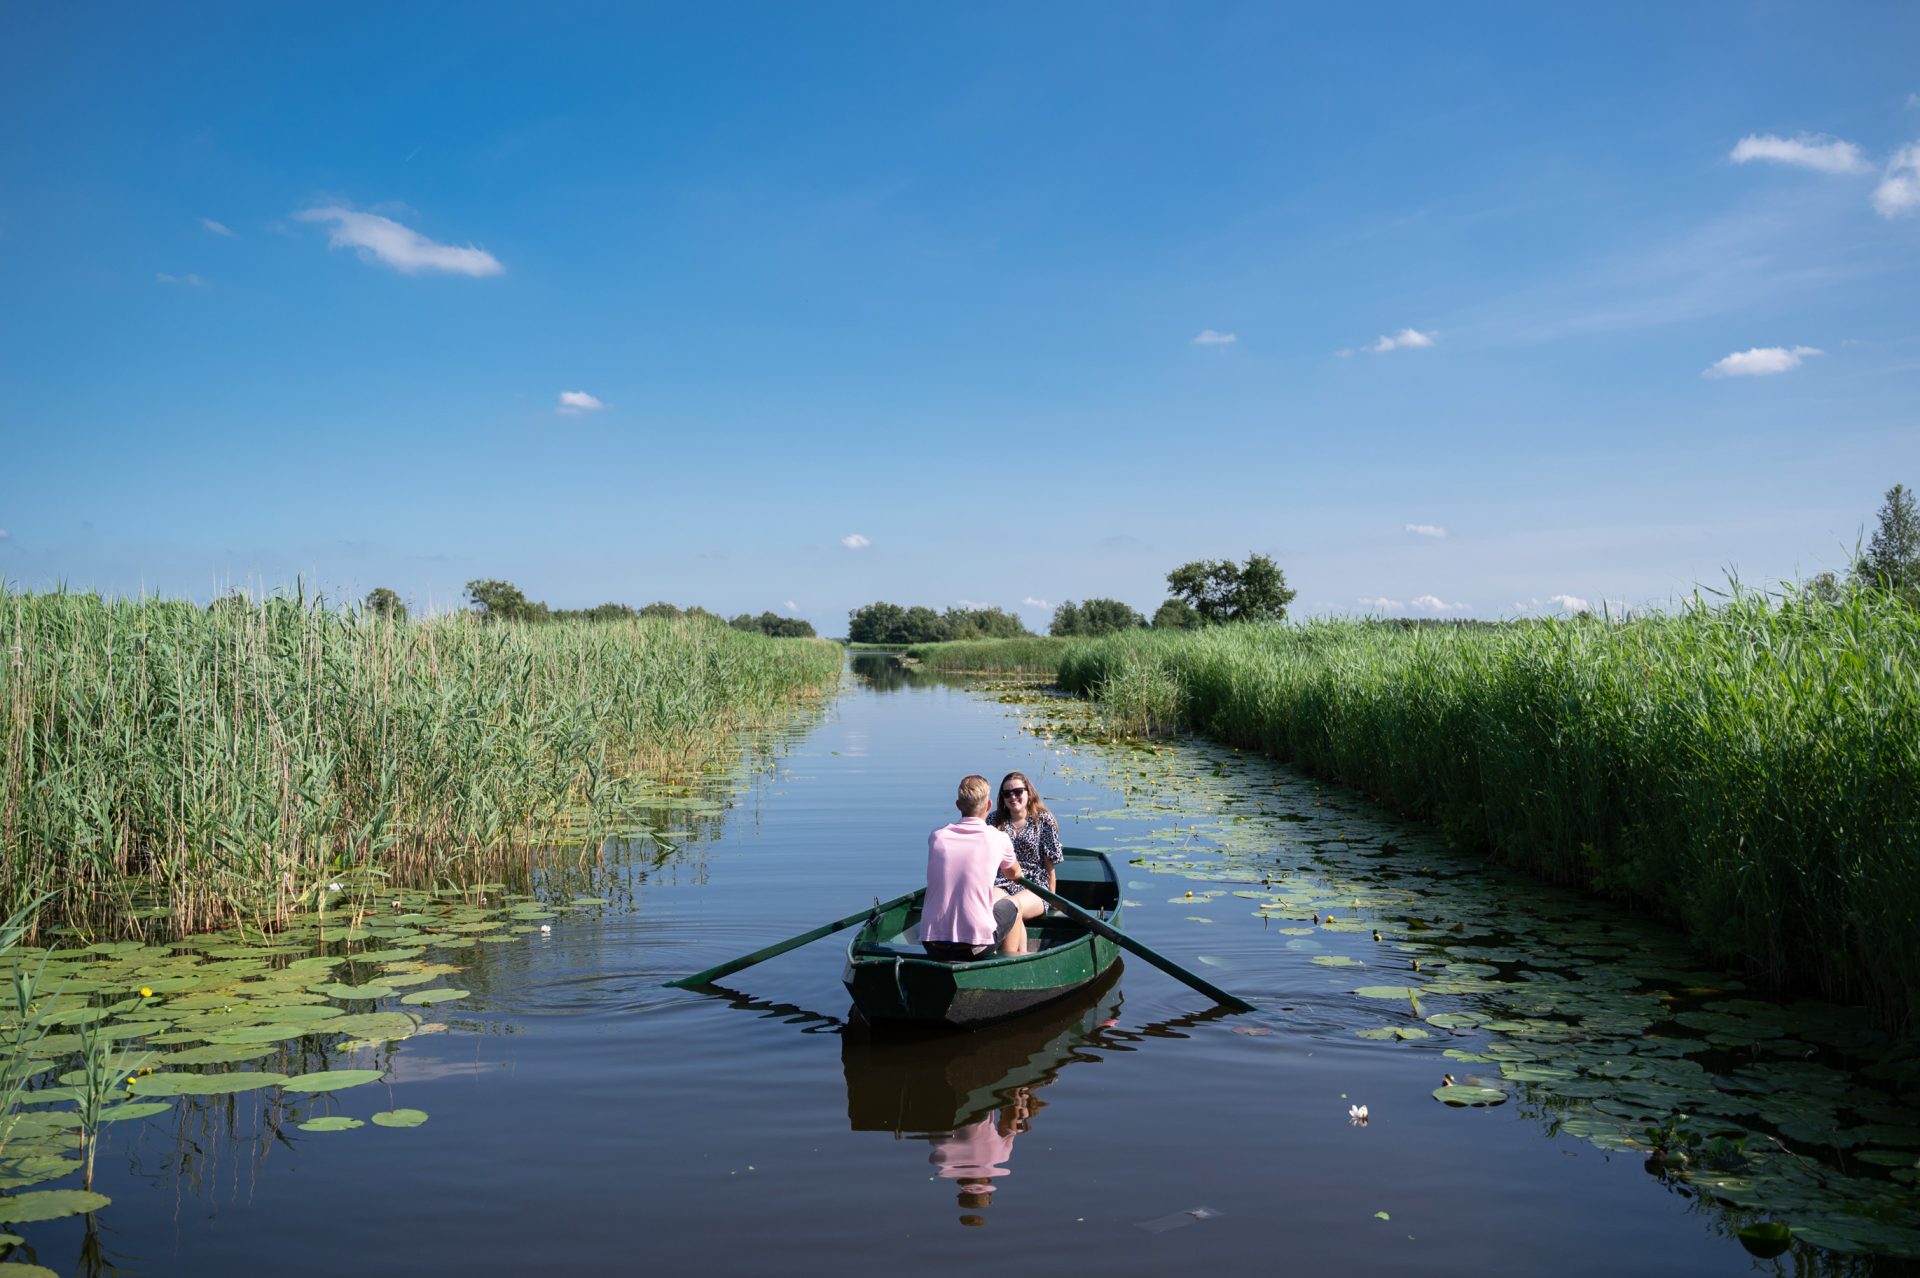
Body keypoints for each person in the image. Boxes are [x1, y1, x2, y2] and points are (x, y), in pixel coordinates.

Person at [922, 774, 1025, 959]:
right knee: (1014, 903)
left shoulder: (937, 837)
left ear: (958, 805)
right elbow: (1014, 874)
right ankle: (1009, 964)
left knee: (994, 896)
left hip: (931, 944)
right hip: (975, 948)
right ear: (988, 806)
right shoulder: (998, 838)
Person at [989, 770, 1063, 940]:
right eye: (1007, 793)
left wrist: (1052, 898)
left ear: (1028, 793)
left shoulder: (1043, 820)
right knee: (988, 906)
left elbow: (1049, 863)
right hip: (1002, 882)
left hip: (1034, 885)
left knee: (1011, 907)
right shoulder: (993, 821)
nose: (1013, 797)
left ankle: (1016, 956)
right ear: (1002, 798)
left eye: (1018, 791)